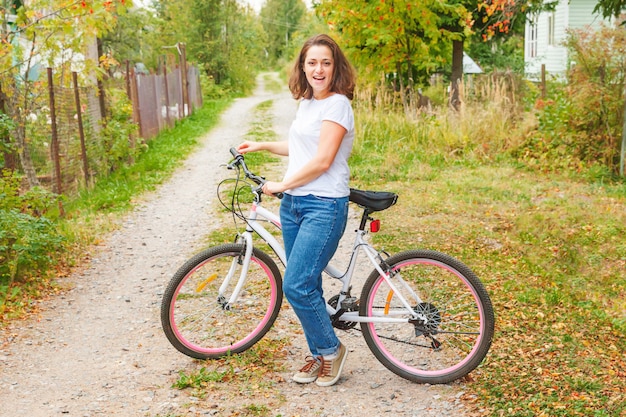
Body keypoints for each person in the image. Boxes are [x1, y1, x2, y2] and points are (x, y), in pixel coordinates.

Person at [236, 33, 356, 387]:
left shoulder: (338, 104)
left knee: (297, 284)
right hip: (294, 207)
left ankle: (332, 352)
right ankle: (319, 354)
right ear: (302, 67)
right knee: (307, 282)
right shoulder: (309, 103)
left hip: (323, 205)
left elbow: (321, 161)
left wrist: (280, 185)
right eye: (312, 62)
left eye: (325, 62)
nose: (318, 69)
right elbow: (301, 147)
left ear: (336, 67)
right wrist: (262, 145)